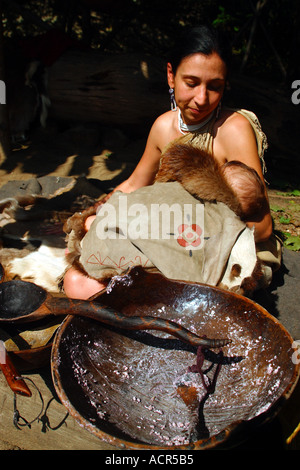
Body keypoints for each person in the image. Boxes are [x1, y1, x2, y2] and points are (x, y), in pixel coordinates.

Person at [63, 24, 280, 300]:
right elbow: (133, 184)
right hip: (170, 229)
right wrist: (101, 215)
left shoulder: (232, 129)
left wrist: (181, 231)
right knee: (82, 264)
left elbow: (262, 228)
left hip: (216, 245)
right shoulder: (163, 127)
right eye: (191, 83)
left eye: (215, 87)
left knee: (93, 287)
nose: (202, 99)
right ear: (170, 75)